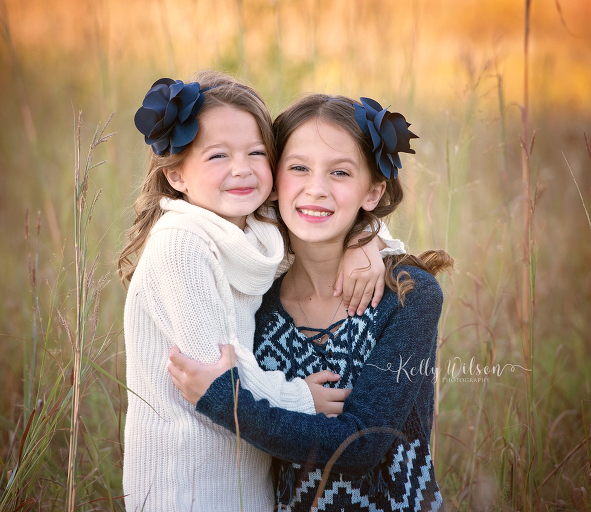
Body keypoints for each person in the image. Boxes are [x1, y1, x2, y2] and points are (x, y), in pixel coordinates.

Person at [118, 72, 403, 512]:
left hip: (243, 482)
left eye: (256, 153)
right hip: (184, 487)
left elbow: (329, 209)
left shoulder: (253, 234)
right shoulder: (181, 245)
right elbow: (214, 376)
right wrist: (301, 398)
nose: (241, 168)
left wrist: (368, 242)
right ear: (175, 173)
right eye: (218, 155)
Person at [169, 93, 453, 511]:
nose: (315, 189)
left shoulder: (408, 296)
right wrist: (366, 235)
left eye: (340, 172)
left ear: (372, 192)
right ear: (272, 178)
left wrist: (226, 404)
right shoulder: (255, 295)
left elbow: (360, 448)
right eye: (298, 168)